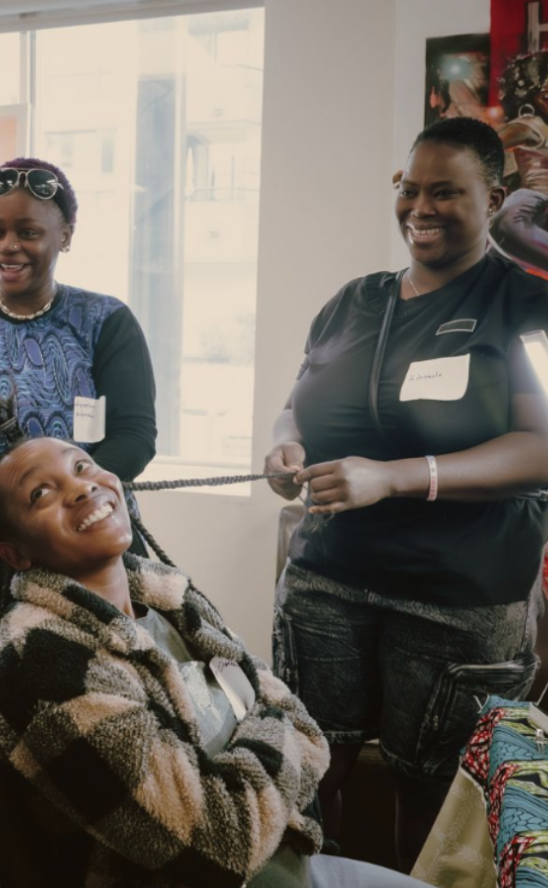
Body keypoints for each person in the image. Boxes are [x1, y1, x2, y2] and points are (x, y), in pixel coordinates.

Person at [0, 391, 431, 888]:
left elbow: (311, 733)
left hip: (295, 870)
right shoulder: (41, 663)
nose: (81, 489)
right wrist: (277, 739)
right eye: (40, 494)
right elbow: (226, 843)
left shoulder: (166, 595)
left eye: (83, 465)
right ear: (17, 554)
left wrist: (261, 759)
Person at [264, 116, 548, 871]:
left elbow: (542, 448)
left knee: (439, 801)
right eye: (409, 189)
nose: (420, 208)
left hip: (456, 600)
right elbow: (299, 400)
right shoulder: (354, 301)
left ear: (494, 198)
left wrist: (396, 476)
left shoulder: (526, 305)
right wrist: (284, 448)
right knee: (307, 775)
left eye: (447, 192)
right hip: (328, 584)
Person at [0, 156, 156, 878]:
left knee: (102, 722)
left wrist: (67, 500)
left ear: (65, 234)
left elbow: (134, 437)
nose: (8, 247)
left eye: (29, 232)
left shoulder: (105, 322)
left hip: (89, 558)